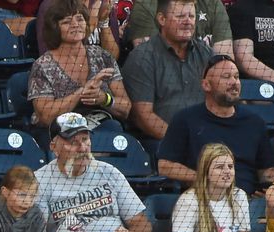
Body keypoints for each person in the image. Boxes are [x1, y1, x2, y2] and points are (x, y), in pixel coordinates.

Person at [35, 111, 166, 232]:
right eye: (73, 142)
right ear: (54, 147)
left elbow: (143, 227)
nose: (82, 148)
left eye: (85, 139)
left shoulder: (109, 172)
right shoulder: (40, 181)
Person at [157, 54, 274, 194]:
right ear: (206, 85)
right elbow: (165, 166)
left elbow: (266, 171)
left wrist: (272, 190)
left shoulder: (254, 122)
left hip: (248, 201)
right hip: (203, 199)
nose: (234, 82)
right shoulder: (185, 119)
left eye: (237, 77)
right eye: (226, 77)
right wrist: (206, 180)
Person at [28, 0, 129, 129]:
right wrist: (82, 93)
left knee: (113, 127)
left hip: (99, 124)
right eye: (67, 22)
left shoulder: (103, 57)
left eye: (80, 19)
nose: (75, 25)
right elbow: (46, 117)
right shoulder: (43, 65)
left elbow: (126, 108)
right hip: (60, 130)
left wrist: (104, 99)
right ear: (55, 29)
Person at [122, 0, 212, 141]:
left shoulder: (207, 54)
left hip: (206, 139)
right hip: (161, 143)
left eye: (192, 16)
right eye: (180, 16)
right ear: (161, 19)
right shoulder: (142, 57)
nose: (188, 21)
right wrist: (181, 142)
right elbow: (143, 116)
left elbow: (221, 101)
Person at [167, 142, 253, 232]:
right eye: (219, 167)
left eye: (230, 167)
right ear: (206, 172)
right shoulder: (188, 201)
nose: (227, 172)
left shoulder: (239, 197)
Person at [123, 0, 231, 56]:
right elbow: (149, 59)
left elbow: (224, 59)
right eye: (180, 16)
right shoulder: (147, 5)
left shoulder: (213, 3)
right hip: (161, 86)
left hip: (206, 83)